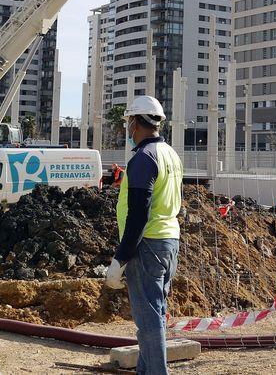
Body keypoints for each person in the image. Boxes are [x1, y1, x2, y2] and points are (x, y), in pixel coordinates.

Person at [104, 96, 183, 375]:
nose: (127, 127)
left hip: (147, 244)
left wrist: (120, 258)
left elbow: (139, 214)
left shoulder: (143, 158)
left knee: (148, 319)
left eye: (128, 122)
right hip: (169, 241)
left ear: (135, 122)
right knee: (156, 313)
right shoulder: (170, 154)